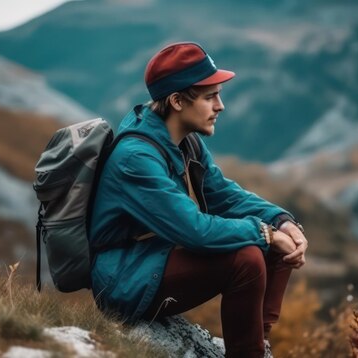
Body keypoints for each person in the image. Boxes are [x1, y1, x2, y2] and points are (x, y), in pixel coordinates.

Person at [89, 42, 308, 358]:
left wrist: (282, 222)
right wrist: (265, 234)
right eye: (210, 97)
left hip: (150, 258)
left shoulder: (183, 139)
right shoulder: (135, 159)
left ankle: (257, 343)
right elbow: (195, 231)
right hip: (122, 280)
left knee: (274, 237)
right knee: (248, 256)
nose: (221, 106)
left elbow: (223, 195)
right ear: (177, 101)